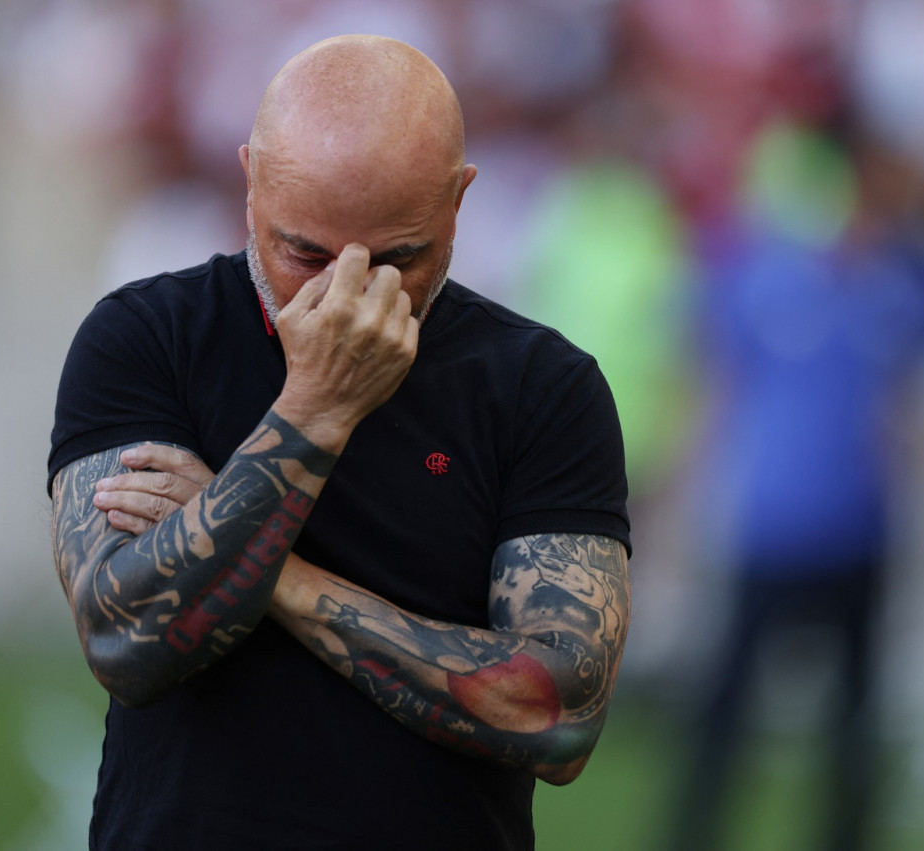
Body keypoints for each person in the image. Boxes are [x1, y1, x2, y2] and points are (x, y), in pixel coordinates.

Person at [48, 34, 632, 850]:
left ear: (459, 201)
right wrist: (316, 410)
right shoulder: (149, 340)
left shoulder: (540, 387)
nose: (346, 293)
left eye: (400, 257)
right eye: (304, 252)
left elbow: (558, 714)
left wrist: (273, 572)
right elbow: (124, 637)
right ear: (251, 182)